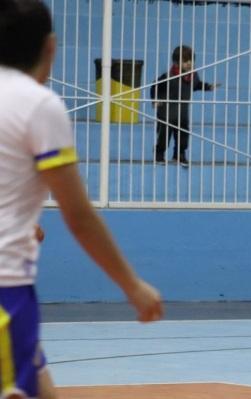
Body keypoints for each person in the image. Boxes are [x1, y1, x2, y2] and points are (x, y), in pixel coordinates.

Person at [0, 1, 163, 398]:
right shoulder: (39, 105)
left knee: (37, 378)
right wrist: (132, 285)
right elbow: (79, 215)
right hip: (6, 290)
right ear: (50, 47)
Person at [151, 45, 220, 166]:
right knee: (164, 135)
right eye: (185, 61)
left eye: (191, 60)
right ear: (176, 63)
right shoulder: (168, 76)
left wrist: (208, 87)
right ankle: (159, 154)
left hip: (182, 112)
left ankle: (180, 155)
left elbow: (197, 85)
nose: (189, 63)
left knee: (183, 135)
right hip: (166, 112)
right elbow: (155, 86)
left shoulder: (193, 76)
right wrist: (155, 100)